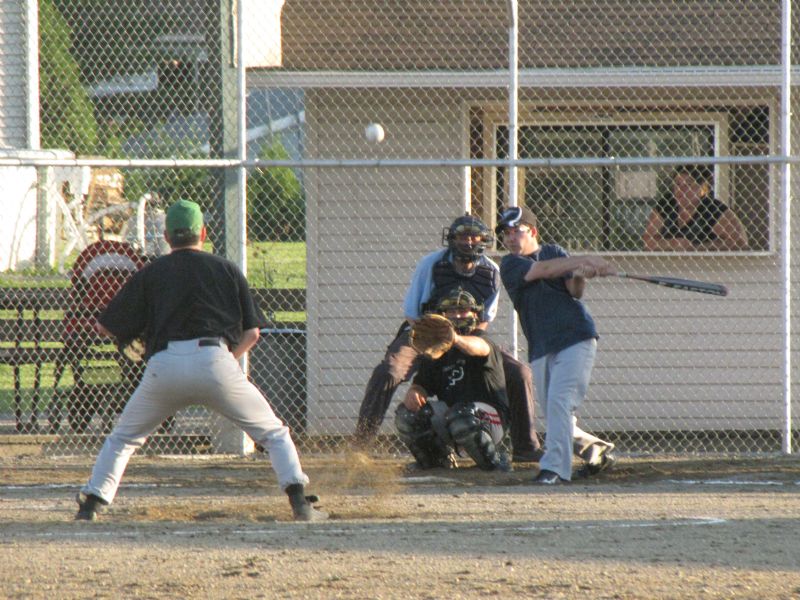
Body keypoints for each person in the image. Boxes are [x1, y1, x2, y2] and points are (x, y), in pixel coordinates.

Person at [74, 199, 327, 522]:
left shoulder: (150, 273)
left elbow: (105, 327)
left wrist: (137, 339)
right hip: (215, 360)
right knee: (273, 434)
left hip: (164, 366)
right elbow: (252, 334)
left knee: (123, 438)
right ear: (203, 233)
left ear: (167, 237)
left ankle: (92, 504)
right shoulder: (226, 269)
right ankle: (300, 503)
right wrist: (222, 363)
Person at [355, 214, 543, 462]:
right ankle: (360, 446)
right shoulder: (432, 264)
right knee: (388, 372)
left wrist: (460, 341)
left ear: (484, 240)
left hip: (466, 334)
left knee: (520, 372)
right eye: (463, 236)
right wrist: (434, 336)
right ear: (452, 239)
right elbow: (412, 313)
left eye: (474, 237)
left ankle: (526, 447)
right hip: (423, 331)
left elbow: (484, 319)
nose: (469, 241)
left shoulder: (491, 271)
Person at [496, 205, 617, 485]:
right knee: (555, 411)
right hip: (541, 344)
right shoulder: (510, 264)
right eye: (506, 233)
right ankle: (596, 451)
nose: (511, 238)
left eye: (517, 231)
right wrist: (584, 260)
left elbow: (575, 291)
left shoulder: (554, 251)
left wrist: (581, 273)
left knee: (560, 403)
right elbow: (543, 270)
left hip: (576, 336)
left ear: (533, 232)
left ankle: (554, 469)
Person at [395, 288, 510, 471]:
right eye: (451, 311)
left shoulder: (482, 339)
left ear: (475, 314)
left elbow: (479, 348)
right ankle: (437, 462)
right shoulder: (437, 351)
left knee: (461, 415)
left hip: (489, 420)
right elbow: (422, 385)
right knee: (407, 415)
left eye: (462, 310)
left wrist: (455, 339)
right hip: (453, 417)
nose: (456, 315)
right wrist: (415, 392)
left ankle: (494, 463)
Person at [642, 164, 748, 251]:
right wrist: (672, 244)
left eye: (688, 184)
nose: (681, 190)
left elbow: (740, 243)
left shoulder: (714, 210)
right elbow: (647, 240)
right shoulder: (667, 205)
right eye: (678, 184)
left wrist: (697, 247)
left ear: (703, 188)